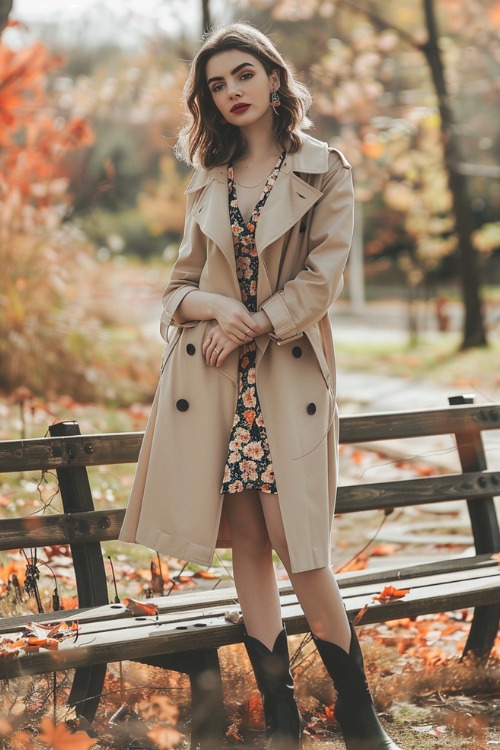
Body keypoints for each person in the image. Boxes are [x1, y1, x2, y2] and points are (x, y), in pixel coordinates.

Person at [119, 22, 402, 750]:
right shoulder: (209, 176)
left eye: (243, 75)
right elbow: (177, 290)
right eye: (217, 84)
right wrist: (217, 308)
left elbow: (322, 281)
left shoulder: (323, 168)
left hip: (286, 376)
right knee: (246, 540)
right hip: (214, 384)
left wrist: (251, 323)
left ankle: (359, 719)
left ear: (274, 79)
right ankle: (281, 724)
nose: (232, 92)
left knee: (299, 549)